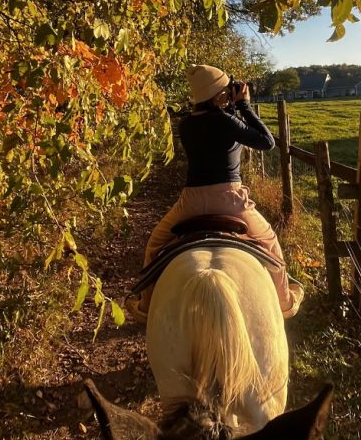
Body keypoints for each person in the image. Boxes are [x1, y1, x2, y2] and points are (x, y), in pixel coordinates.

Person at [128, 63, 304, 322]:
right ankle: (285, 304)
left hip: (191, 202)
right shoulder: (226, 120)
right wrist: (244, 105)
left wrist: (228, 104)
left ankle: (145, 307)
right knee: (270, 244)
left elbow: (215, 128)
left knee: (155, 245)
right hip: (230, 200)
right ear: (219, 94)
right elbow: (266, 142)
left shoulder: (186, 124)